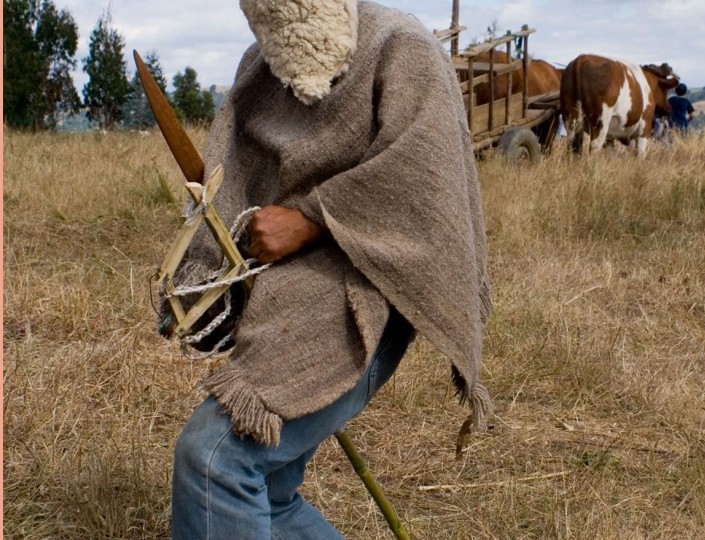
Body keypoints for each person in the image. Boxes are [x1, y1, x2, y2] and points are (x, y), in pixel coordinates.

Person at [165, 1, 493, 538]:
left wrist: (310, 221)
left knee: (216, 460)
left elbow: (427, 187)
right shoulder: (261, 64)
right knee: (267, 494)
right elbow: (236, 184)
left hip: (369, 288)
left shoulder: (401, 46)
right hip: (282, 293)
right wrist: (208, 273)